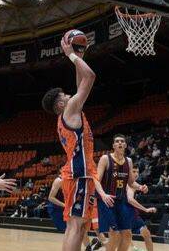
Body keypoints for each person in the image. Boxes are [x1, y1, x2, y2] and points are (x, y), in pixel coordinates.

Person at [41, 34, 114, 251]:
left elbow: (80, 81)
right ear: (61, 104)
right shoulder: (70, 110)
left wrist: (79, 55)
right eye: (64, 95)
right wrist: (71, 54)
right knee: (75, 224)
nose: (69, 93)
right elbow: (89, 77)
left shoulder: (67, 113)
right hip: (80, 172)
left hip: (82, 172)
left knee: (81, 225)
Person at [97, 134, 147, 251]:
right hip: (107, 200)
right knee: (114, 233)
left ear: (125, 145)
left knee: (127, 234)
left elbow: (131, 182)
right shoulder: (105, 159)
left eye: (122, 141)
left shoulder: (128, 161)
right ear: (113, 145)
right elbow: (96, 180)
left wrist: (140, 187)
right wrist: (103, 195)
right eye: (117, 141)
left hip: (121, 200)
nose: (119, 143)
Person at [47, 175, 106, 251]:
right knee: (72, 231)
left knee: (79, 228)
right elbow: (50, 198)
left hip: (69, 207)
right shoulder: (58, 181)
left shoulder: (75, 180)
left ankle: (88, 247)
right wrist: (65, 205)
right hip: (57, 208)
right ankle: (88, 245)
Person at [127, 165, 156, 251]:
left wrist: (143, 188)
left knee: (146, 234)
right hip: (124, 213)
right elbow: (130, 200)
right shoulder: (129, 184)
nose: (136, 174)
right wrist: (146, 209)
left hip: (132, 213)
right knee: (123, 237)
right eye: (134, 171)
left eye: (137, 172)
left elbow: (140, 187)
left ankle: (133, 248)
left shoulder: (134, 184)